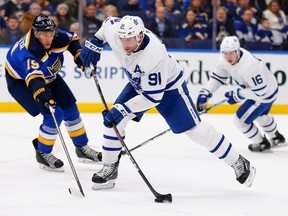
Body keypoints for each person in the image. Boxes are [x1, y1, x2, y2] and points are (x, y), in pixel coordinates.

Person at [80, 15, 256, 190]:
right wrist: (95, 41)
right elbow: (107, 23)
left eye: (130, 39)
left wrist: (122, 109)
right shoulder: (116, 31)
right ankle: (110, 167)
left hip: (170, 89)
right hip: (138, 81)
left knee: (195, 131)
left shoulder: (154, 54)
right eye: (122, 39)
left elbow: (153, 97)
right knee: (114, 122)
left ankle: (237, 161)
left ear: (140, 36)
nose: (125, 44)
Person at [5, 15, 102, 172]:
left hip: (48, 76)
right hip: (21, 81)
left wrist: (80, 56)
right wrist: (43, 95)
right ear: (36, 34)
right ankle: (43, 152)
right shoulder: (30, 51)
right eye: (44, 35)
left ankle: (82, 148)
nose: (49, 38)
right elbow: (35, 78)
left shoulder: (57, 36)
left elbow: (72, 40)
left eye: (51, 33)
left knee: (70, 108)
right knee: (53, 113)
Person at [196, 36, 285, 152]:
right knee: (259, 115)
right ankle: (277, 138)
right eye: (225, 53)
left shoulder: (250, 65)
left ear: (237, 50)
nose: (228, 56)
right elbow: (218, 77)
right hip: (268, 89)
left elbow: (260, 92)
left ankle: (262, 143)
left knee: (240, 120)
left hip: (265, 94)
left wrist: (238, 95)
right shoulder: (224, 58)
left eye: (232, 53)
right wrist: (206, 92)